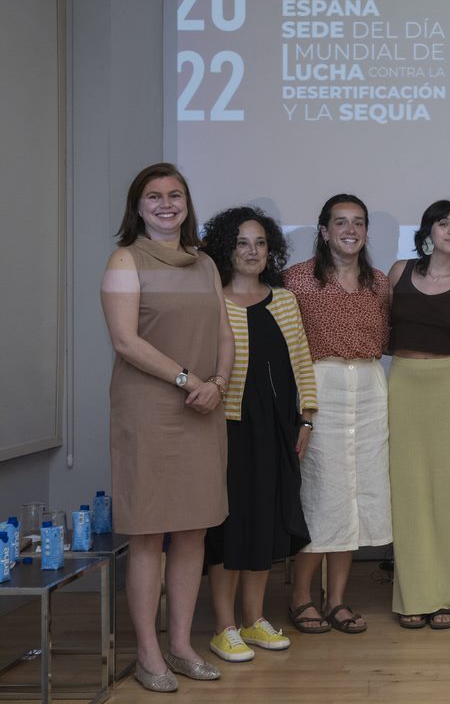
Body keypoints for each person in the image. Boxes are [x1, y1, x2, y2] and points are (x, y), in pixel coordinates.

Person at [101, 163, 233, 692]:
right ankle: (148, 653)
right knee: (149, 534)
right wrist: (187, 380)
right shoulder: (124, 260)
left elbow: (224, 330)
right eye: (153, 196)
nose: (165, 203)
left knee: (194, 529)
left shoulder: (204, 264)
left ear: (187, 204)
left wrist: (218, 383)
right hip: (150, 411)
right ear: (137, 207)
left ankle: (180, 645)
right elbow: (125, 341)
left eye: (174, 194)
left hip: (204, 405)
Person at [200, 207, 318, 662]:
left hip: (276, 426)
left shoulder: (285, 300)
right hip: (224, 427)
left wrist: (306, 417)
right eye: (242, 243)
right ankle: (223, 627)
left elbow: (302, 361)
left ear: (271, 250)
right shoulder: (213, 300)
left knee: (266, 522)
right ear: (227, 248)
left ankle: (254, 620)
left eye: (260, 243)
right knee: (230, 526)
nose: (252, 252)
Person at [283, 194, 392, 635]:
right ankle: (300, 597)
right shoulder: (296, 281)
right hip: (317, 388)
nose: (350, 229)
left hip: (368, 389)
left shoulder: (379, 284)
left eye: (359, 222)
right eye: (340, 222)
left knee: (354, 497)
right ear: (324, 230)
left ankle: (338, 601)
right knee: (320, 495)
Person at [387, 200, 450, 630]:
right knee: (408, 494)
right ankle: (415, 595)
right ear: (428, 230)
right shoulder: (397, 272)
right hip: (404, 385)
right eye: (442, 222)